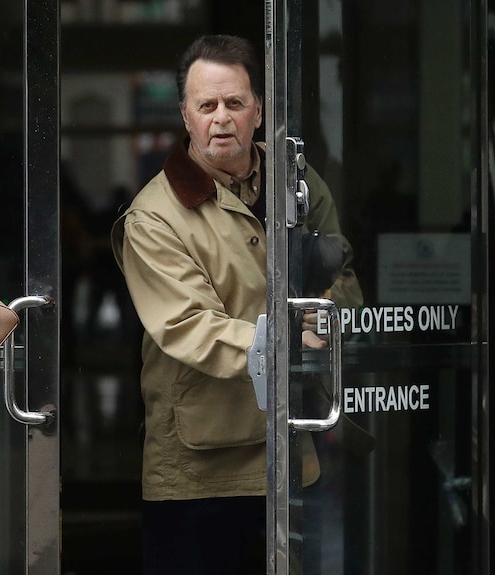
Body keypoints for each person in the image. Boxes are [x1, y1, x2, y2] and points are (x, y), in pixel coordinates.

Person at [111, 35, 362, 574]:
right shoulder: (153, 216)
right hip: (201, 471)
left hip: (298, 449)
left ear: (259, 110)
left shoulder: (295, 180)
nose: (221, 119)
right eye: (206, 106)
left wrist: (325, 308)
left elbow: (343, 274)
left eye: (234, 103)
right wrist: (297, 331)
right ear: (185, 115)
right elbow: (189, 326)